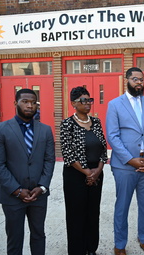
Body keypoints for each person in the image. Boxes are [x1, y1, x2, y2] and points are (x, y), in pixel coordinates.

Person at [0, 88, 55, 255]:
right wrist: (17, 190)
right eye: (25, 101)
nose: (30, 105)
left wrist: (43, 186)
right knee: (15, 238)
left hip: (38, 195)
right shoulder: (0, 130)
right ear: (15, 103)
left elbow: (49, 160)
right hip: (12, 196)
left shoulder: (45, 130)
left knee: (39, 235)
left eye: (33, 102)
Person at [106, 67, 144, 255]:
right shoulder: (115, 104)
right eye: (135, 79)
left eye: (142, 79)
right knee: (122, 205)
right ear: (127, 80)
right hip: (124, 166)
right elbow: (113, 136)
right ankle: (120, 244)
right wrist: (131, 160)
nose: (139, 82)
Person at [60, 86, 108, 255]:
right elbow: (68, 154)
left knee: (93, 213)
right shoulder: (67, 124)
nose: (88, 103)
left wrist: (96, 172)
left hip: (97, 174)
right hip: (76, 175)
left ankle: (91, 248)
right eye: (83, 100)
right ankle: (77, 250)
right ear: (74, 103)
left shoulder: (96, 122)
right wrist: (88, 173)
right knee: (76, 215)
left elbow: (103, 149)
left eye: (89, 100)